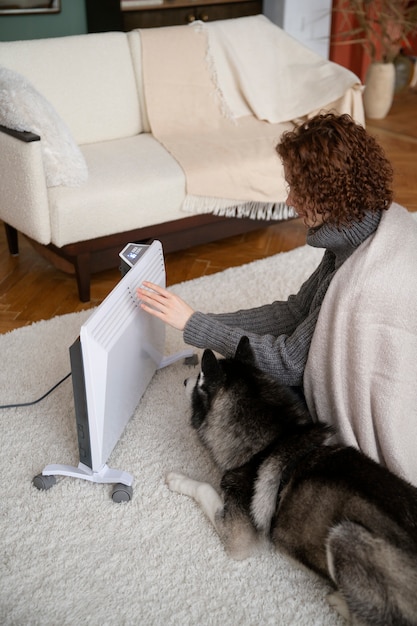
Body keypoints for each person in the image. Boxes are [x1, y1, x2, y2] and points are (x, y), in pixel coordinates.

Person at [136, 112, 394, 388]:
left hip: (366, 389)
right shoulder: (351, 229)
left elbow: (289, 365)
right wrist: (199, 320)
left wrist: (194, 324)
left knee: (241, 390)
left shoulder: (357, 272)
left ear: (330, 194)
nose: (289, 200)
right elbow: (296, 312)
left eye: (298, 190)